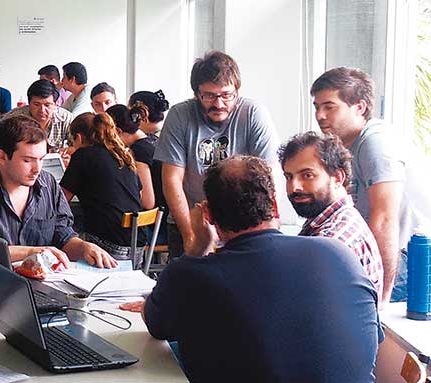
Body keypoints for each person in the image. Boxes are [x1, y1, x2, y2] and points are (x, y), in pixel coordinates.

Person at [142, 155, 382, 382]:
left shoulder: (189, 275)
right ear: (274, 206)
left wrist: (196, 250)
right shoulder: (340, 254)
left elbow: (155, 325)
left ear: (208, 215)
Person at [311, 67, 431, 303]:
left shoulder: (376, 142)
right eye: (317, 107)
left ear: (359, 107)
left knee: (332, 295)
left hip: (420, 262)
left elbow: (384, 220)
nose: (320, 115)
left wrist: (382, 298)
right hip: (390, 253)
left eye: (329, 106)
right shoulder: (343, 148)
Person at [154, 50, 279, 258]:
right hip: (190, 221)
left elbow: (269, 177)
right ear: (196, 94)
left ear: (237, 92)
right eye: (209, 96)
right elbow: (172, 179)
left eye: (226, 95)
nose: (219, 104)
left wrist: (270, 227)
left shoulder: (254, 113)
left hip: (242, 226)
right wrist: (191, 236)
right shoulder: (179, 115)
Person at [0, 115, 117, 269]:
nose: (37, 169)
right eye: (27, 160)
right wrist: (30, 252)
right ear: (1, 156)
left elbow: (63, 234)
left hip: (45, 282)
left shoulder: (48, 183)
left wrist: (83, 247)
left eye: (41, 159)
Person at [279, 131, 383, 300]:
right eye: (289, 177)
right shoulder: (322, 221)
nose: (294, 187)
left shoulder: (333, 240)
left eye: (307, 175)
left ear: (337, 178)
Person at [60, 113, 145, 268]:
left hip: (106, 246)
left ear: (78, 137)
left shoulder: (82, 155)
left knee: (63, 235)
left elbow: (61, 200)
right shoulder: (123, 156)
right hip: (137, 245)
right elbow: (139, 194)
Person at [0, 79, 72, 151]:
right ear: (29, 103)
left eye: (47, 105)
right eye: (36, 104)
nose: (42, 110)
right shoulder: (14, 118)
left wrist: (67, 152)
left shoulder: (66, 118)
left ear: (55, 104)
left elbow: (79, 146)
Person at [107, 104, 156, 210]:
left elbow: (147, 202)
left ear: (117, 132)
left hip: (154, 220)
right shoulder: (151, 139)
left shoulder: (139, 151)